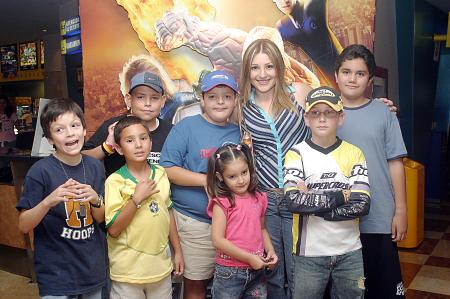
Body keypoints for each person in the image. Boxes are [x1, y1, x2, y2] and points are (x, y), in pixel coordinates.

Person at [239, 38, 312, 299]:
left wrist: (378, 105)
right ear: (247, 70)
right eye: (255, 68)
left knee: (302, 268)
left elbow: (334, 112)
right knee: (273, 270)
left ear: (279, 68)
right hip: (266, 198)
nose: (262, 74)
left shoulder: (300, 92)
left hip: (300, 194)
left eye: (268, 66)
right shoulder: (241, 108)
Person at [159, 70, 241, 299]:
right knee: (196, 283)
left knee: (230, 286)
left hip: (232, 224)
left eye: (226, 96)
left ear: (235, 100)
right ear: (202, 100)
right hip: (195, 222)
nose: (220, 102)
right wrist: (205, 180)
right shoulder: (186, 127)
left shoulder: (239, 133)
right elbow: (167, 168)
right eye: (213, 96)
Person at [335, 44, 408, 298]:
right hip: (337, 220)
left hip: (378, 217)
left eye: (360, 73)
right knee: (348, 289)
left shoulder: (383, 112)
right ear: (336, 75)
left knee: (383, 289)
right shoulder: (323, 114)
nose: (352, 78)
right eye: (346, 71)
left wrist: (401, 210)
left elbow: (394, 162)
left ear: (369, 79)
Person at [284, 86, 370, 298]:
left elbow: (362, 205)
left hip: (349, 252)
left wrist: (313, 206)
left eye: (329, 113)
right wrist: (342, 196)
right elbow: (294, 202)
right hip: (308, 255)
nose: (322, 119)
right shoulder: (296, 154)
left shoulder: (355, 153)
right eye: (315, 113)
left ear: (340, 118)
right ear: (306, 119)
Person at [16, 98, 107, 298]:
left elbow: (101, 219)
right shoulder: (40, 172)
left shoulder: (95, 166)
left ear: (84, 130)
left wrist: (95, 199)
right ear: (49, 139)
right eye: (59, 129)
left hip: (92, 270)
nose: (69, 133)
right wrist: (49, 201)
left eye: (74, 125)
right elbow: (23, 225)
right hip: (56, 275)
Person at [104, 116, 184, 299]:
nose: (138, 145)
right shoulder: (115, 182)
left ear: (151, 142)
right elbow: (114, 229)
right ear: (118, 148)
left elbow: (168, 213)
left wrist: (177, 252)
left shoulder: (161, 174)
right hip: (128, 273)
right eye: (130, 140)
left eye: (143, 138)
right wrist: (136, 199)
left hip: (160, 269)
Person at [206, 143, 278, 298]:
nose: (240, 180)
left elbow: (262, 228)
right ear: (220, 177)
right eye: (232, 176)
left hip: (257, 269)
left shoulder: (259, 198)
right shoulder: (222, 203)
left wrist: (270, 250)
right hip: (229, 273)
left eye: (244, 172)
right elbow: (217, 240)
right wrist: (249, 258)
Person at [83, 61, 173, 177]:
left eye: (154, 98)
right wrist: (107, 146)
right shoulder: (114, 126)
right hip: (118, 194)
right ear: (129, 100)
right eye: (140, 97)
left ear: (163, 101)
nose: (147, 103)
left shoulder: (172, 132)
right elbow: (82, 159)